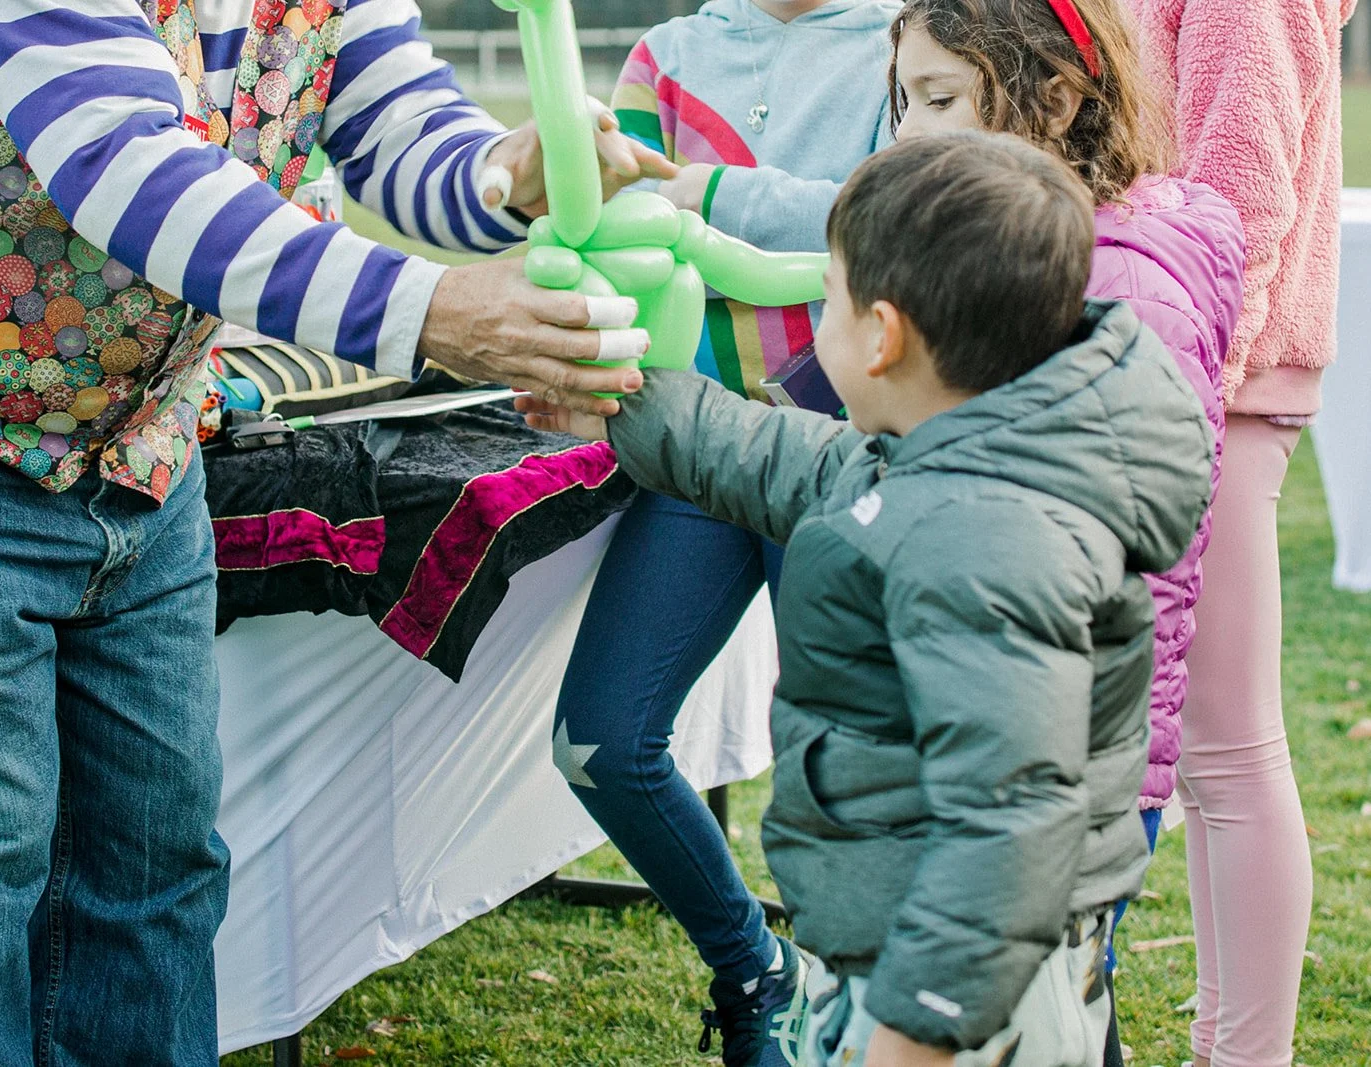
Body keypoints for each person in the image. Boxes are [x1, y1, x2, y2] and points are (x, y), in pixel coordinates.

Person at [0, 0, 674, 1062]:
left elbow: (401, 133)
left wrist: (503, 168)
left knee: (153, 874)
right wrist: (431, 310)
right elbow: (132, 171)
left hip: (144, 460)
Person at [521, 130, 1214, 1067]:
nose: (821, 321)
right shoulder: (946, 464)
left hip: (961, 995)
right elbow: (773, 458)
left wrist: (918, 1025)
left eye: (830, 302)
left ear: (881, 337)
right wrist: (622, 402)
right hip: (915, 958)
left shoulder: (986, 546)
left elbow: (1009, 819)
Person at [882, 1, 1245, 1058]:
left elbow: (1102, 535)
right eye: (904, 99)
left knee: (1038, 1012)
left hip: (1065, 758)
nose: (908, 132)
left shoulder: (1116, 281)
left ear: (1054, 99)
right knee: (1054, 1010)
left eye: (938, 99)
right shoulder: (1019, 256)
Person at [546, 3, 900, 1062]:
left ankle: (863, 1021)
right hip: (695, 450)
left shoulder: (903, 41)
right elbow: (614, 220)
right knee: (601, 741)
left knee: (835, 779)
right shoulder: (667, 53)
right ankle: (754, 966)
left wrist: (701, 191)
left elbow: (897, 225)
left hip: (844, 457)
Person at [1125, 0, 1356, 1062]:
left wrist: (1195, 387)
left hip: (1221, 377)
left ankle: (1244, 1052)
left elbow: (1241, 187)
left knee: (1231, 752)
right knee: (1212, 761)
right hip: (1194, 369)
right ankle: (1222, 1041)